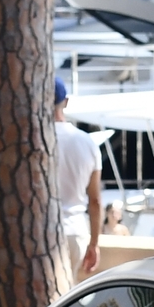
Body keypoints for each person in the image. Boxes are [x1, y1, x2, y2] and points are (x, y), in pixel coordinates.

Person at [51, 78, 101, 279]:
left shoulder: (34, 140)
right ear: (66, 102)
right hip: (75, 230)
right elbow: (95, 200)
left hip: (42, 231)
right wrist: (94, 243)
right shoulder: (87, 143)